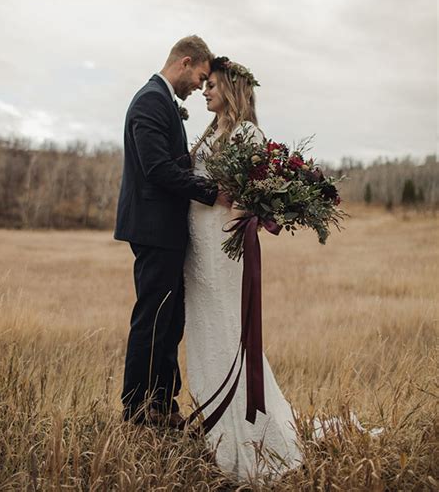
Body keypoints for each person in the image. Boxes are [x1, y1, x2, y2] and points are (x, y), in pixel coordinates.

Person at [184, 56, 302, 478]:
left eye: (211, 84)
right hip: (194, 249)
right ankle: (216, 428)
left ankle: (250, 442)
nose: (204, 90)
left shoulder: (247, 133)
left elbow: (248, 196)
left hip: (219, 249)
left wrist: (227, 234)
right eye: (203, 85)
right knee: (203, 333)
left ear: (231, 88)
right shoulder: (208, 132)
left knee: (228, 332)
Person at [114, 36, 228, 426]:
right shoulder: (150, 100)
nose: (199, 86)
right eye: (199, 76)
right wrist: (214, 192)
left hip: (166, 230)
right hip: (153, 228)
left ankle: (162, 404)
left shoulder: (162, 101)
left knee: (170, 320)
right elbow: (158, 169)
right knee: (152, 319)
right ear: (184, 62)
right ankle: (137, 410)